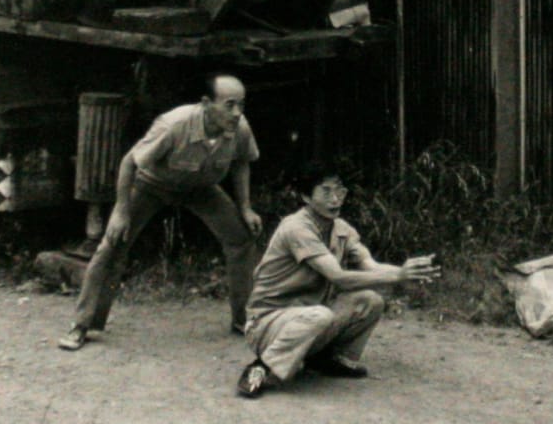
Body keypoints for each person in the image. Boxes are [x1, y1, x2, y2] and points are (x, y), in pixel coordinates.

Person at [60, 73, 263, 350]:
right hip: (152, 185)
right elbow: (129, 163)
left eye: (241, 104)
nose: (237, 112)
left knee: (242, 238)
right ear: (206, 103)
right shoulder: (174, 125)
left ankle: (244, 320)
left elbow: (241, 163)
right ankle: (83, 325)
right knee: (112, 245)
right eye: (229, 105)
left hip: (201, 188)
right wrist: (121, 211)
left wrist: (245, 208)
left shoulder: (239, 128)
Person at [236, 166, 440, 399]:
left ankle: (327, 360)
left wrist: (407, 272)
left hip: (308, 316)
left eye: (340, 192)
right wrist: (398, 276)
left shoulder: (342, 229)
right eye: (326, 192)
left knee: (370, 300)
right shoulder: (296, 228)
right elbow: (338, 277)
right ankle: (262, 366)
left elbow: (371, 266)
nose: (335, 199)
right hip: (267, 322)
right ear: (306, 197)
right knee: (321, 315)